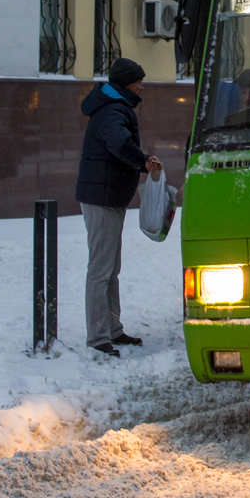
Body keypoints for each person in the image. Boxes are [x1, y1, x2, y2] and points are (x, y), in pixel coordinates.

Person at [76, 58, 162, 357]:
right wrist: (143, 160)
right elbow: (119, 143)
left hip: (108, 196)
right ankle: (98, 337)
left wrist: (142, 159)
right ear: (126, 83)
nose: (142, 85)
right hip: (101, 199)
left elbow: (119, 147)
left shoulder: (115, 105)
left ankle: (112, 329)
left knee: (111, 268)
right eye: (139, 80)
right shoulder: (113, 109)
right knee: (101, 269)